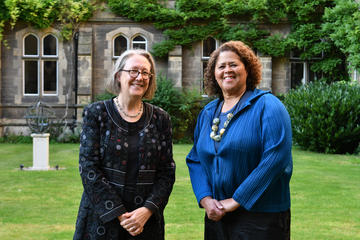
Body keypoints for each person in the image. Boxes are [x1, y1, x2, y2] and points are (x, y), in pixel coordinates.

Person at [186, 41, 293, 240]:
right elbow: (195, 159)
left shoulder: (268, 106)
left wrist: (236, 200)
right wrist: (206, 199)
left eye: (233, 64)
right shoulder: (208, 112)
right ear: (213, 73)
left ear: (248, 69)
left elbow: (276, 158)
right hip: (217, 216)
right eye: (221, 66)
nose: (227, 70)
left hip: (262, 218)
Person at [74, 49, 176, 240]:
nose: (140, 77)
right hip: (101, 221)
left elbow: (167, 172)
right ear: (118, 75)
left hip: (145, 224)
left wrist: (146, 211)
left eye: (145, 73)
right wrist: (120, 214)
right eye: (134, 71)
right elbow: (89, 169)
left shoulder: (161, 119)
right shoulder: (96, 113)